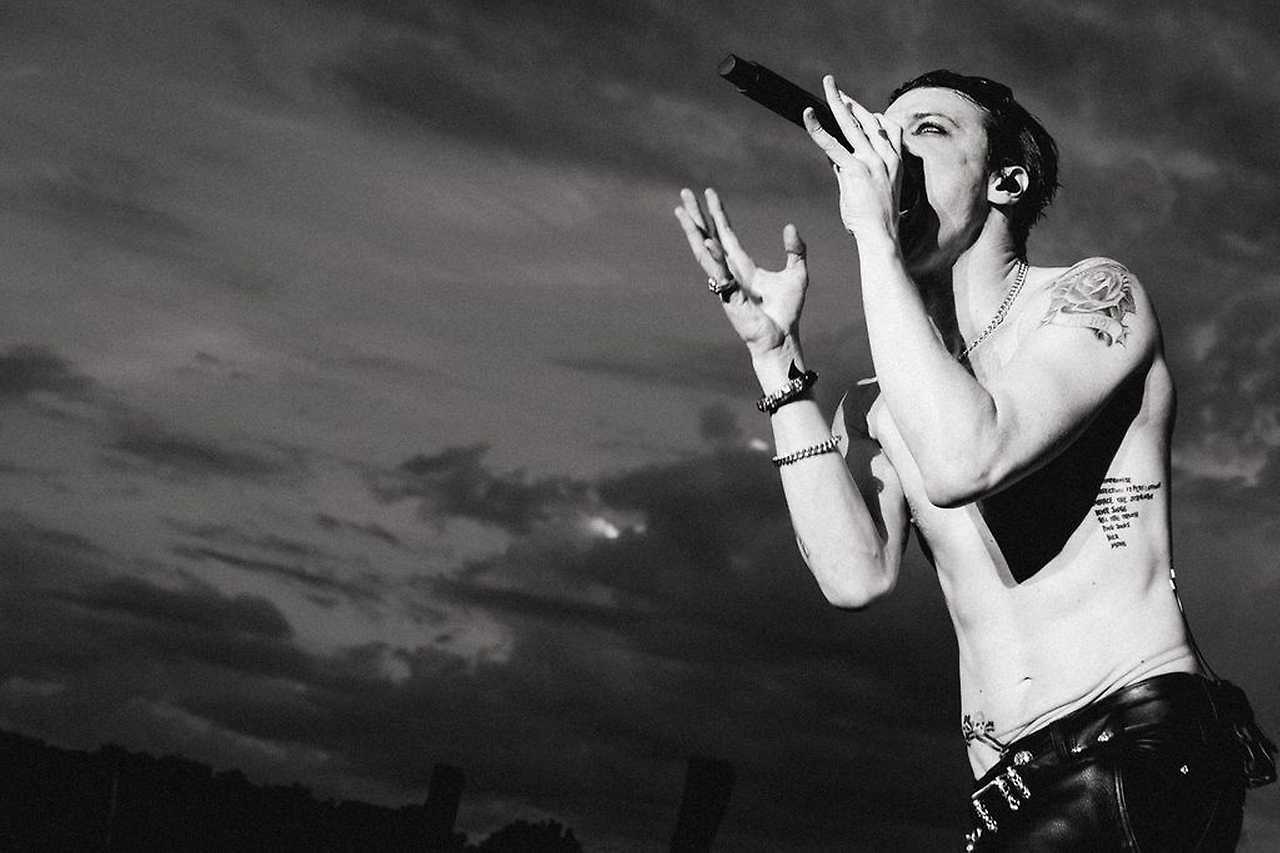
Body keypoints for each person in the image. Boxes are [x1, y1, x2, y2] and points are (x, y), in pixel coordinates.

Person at [674, 69, 1267, 849]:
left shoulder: (1090, 297)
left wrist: (874, 237)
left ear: (1006, 182)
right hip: (1010, 786)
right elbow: (854, 576)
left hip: (1130, 748)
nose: (890, 150)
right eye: (885, 132)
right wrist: (777, 361)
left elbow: (967, 458)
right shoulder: (887, 400)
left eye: (926, 130)